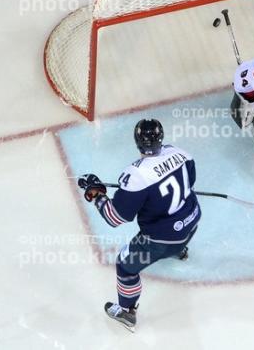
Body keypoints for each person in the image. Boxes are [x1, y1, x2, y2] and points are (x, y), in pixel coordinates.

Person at [78, 119, 200, 332]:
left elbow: (114, 218)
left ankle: (126, 311)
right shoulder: (181, 153)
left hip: (162, 241)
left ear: (137, 142)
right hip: (192, 222)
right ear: (161, 138)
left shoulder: (136, 176)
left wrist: (95, 192)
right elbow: (190, 183)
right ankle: (179, 250)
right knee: (176, 231)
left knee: (125, 266)